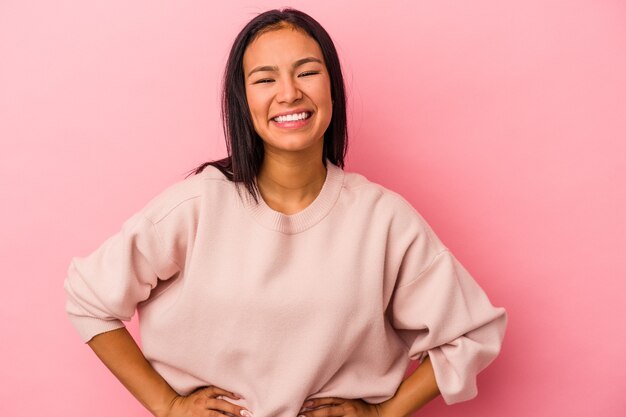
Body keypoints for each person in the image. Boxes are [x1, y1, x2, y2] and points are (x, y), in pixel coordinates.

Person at [64, 8, 507, 417]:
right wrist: (168, 406)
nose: (289, 93)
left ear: (331, 85)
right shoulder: (197, 206)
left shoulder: (382, 219)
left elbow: (472, 334)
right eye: (265, 79)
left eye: (307, 72)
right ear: (243, 99)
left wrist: (380, 414)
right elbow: (89, 300)